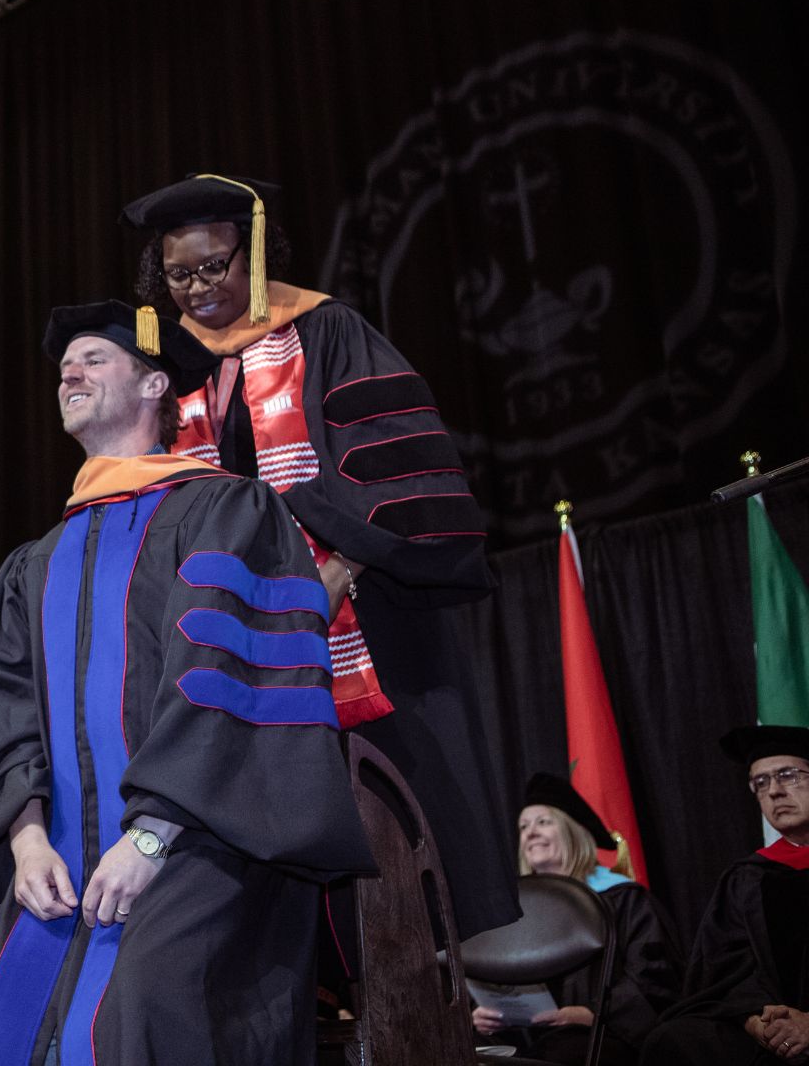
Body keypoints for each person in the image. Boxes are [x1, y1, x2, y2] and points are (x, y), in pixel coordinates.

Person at [0, 300, 373, 1065]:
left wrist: (149, 835)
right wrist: (26, 839)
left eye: (93, 359)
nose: (69, 374)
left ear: (154, 384)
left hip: (201, 842)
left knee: (138, 1010)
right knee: (2, 1027)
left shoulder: (227, 510)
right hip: (61, 864)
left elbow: (230, 678)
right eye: (64, 367)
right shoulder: (35, 563)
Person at [122, 173, 517, 941]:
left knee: (393, 810)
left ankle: (427, 968)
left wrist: (338, 571)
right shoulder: (171, 371)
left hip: (359, 616)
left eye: (214, 266)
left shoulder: (326, 331)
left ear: (254, 255)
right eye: (178, 274)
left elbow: (392, 462)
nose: (198, 288)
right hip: (237, 633)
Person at [473, 773, 680, 1064]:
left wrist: (593, 1014)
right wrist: (482, 1013)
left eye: (543, 822)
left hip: (602, 1037)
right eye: (523, 826)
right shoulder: (513, 914)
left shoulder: (623, 900)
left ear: (574, 832)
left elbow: (655, 978)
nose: (530, 833)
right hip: (520, 1038)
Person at [640, 725, 809, 1065]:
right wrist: (756, 1021)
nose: (774, 791)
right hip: (773, 1033)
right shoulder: (748, 878)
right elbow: (725, 974)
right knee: (674, 1040)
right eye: (760, 782)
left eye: (788, 775)